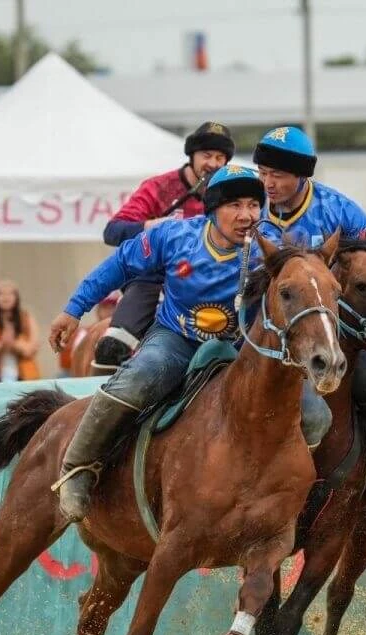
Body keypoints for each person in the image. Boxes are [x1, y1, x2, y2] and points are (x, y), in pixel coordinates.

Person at [48, 166, 267, 522]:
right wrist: (73, 310)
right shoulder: (173, 236)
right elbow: (118, 265)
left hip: (241, 346)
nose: (247, 216)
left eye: (254, 205)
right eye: (235, 206)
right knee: (138, 378)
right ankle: (77, 468)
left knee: (308, 408)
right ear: (212, 209)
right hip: (176, 339)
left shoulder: (268, 248)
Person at [253, 125, 366, 499]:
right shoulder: (248, 212)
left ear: (301, 175)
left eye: (278, 175)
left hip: (336, 329)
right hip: (266, 330)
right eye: (263, 174)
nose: (268, 183)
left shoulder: (337, 208)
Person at [94, 122, 236, 371]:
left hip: (214, 283)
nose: (213, 163)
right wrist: (150, 225)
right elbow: (113, 231)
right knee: (112, 349)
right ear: (191, 155)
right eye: (206, 155)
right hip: (154, 281)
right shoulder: (158, 187)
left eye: (220, 157)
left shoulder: (235, 194)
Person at [0, 279, 40, 383]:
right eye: (1, 294)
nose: (6, 298)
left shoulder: (27, 318)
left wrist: (13, 343)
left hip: (25, 377)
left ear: (16, 297)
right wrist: (1, 344)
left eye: (10, 294)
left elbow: (31, 348)